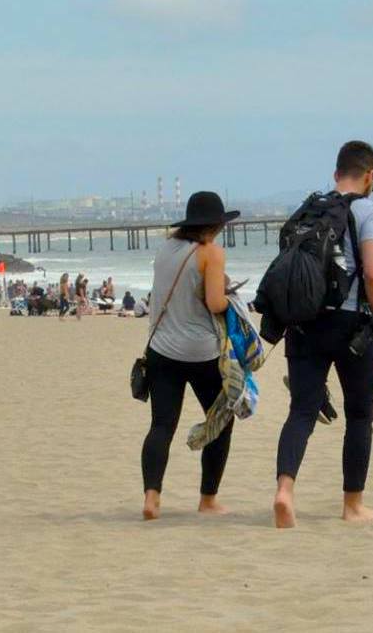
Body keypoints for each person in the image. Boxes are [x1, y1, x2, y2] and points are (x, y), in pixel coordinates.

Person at [275, 140, 373, 529]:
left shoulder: (308, 209)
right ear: (369, 175)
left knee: (302, 411)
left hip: (304, 321)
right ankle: (352, 505)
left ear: (337, 172)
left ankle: (284, 491)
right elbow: (372, 272)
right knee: (359, 415)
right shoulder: (368, 209)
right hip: (350, 323)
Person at [139, 191, 238, 521]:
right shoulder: (210, 252)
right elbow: (214, 303)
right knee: (220, 421)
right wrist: (229, 296)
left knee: (162, 424)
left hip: (161, 349)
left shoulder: (166, 248)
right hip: (200, 352)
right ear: (215, 225)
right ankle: (208, 500)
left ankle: (152, 497)